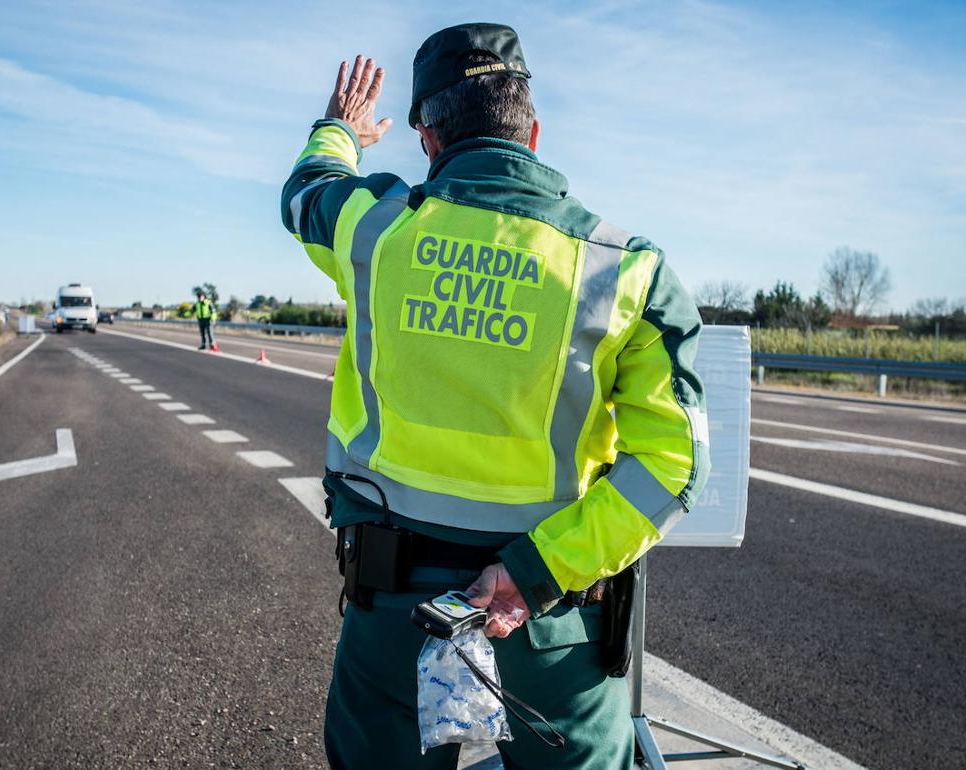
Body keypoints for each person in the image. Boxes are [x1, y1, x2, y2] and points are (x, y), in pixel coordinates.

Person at [281, 23, 709, 770]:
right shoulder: (626, 270)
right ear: (533, 131)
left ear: (427, 138)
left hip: (393, 609)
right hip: (551, 624)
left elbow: (307, 191)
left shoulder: (375, 228)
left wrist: (340, 131)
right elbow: (672, 468)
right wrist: (530, 575)